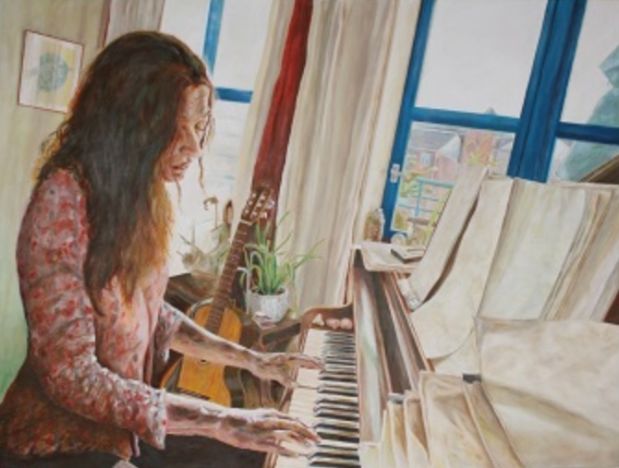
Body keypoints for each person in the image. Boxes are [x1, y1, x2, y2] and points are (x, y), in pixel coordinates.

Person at [0, 31, 319, 467]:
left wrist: (254, 361)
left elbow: (152, 313)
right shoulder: (63, 199)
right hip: (56, 444)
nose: (195, 146)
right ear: (131, 125)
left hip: (118, 432)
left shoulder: (138, 196)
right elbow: (70, 376)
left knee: (251, 456)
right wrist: (221, 419)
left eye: (200, 127)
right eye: (176, 127)